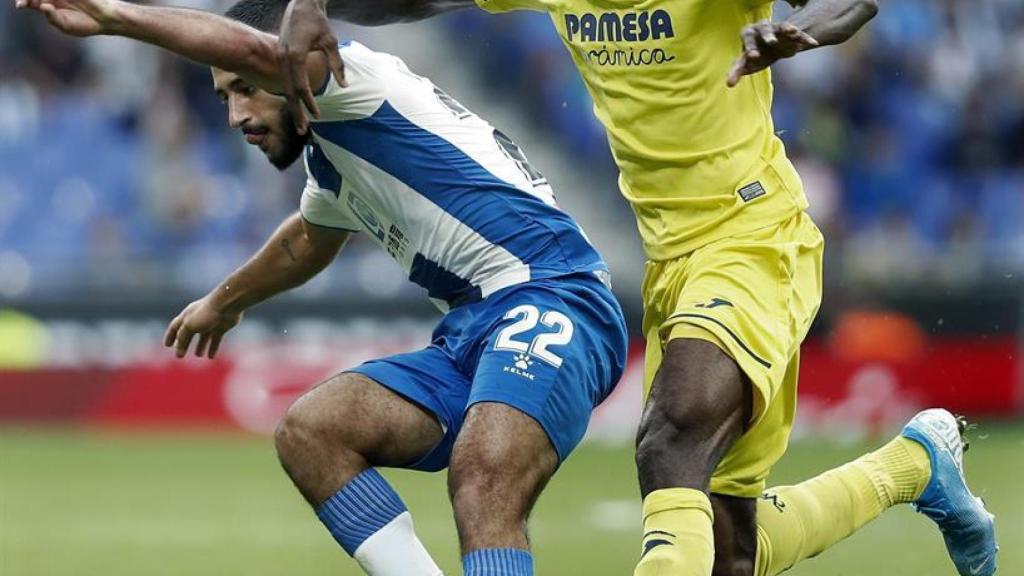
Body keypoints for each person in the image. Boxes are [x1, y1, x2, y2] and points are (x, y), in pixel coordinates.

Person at [267, 0, 1001, 575]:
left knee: (669, 439)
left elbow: (851, 1)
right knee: (729, 553)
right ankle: (914, 464)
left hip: (753, 234)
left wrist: (798, 29)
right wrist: (312, 2)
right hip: (669, 258)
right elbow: (414, 0)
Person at [19, 0, 629, 574]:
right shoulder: (334, 159)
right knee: (315, 432)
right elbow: (306, 240)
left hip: (554, 293)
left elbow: (262, 57)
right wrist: (222, 303)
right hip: (472, 333)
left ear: (285, 62)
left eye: (245, 89)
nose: (235, 117)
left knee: (486, 472)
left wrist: (114, 15)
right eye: (223, 99)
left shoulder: (352, 79)